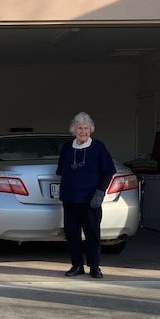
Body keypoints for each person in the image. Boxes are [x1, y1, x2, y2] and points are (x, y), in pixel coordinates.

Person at [56, 112, 116, 278]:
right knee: (72, 234)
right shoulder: (67, 148)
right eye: (79, 128)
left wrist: (100, 192)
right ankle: (77, 266)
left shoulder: (98, 147)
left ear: (91, 129)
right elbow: (61, 170)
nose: (83, 131)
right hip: (70, 199)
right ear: (73, 130)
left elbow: (109, 172)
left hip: (90, 200)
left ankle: (95, 267)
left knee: (93, 234)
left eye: (86, 128)